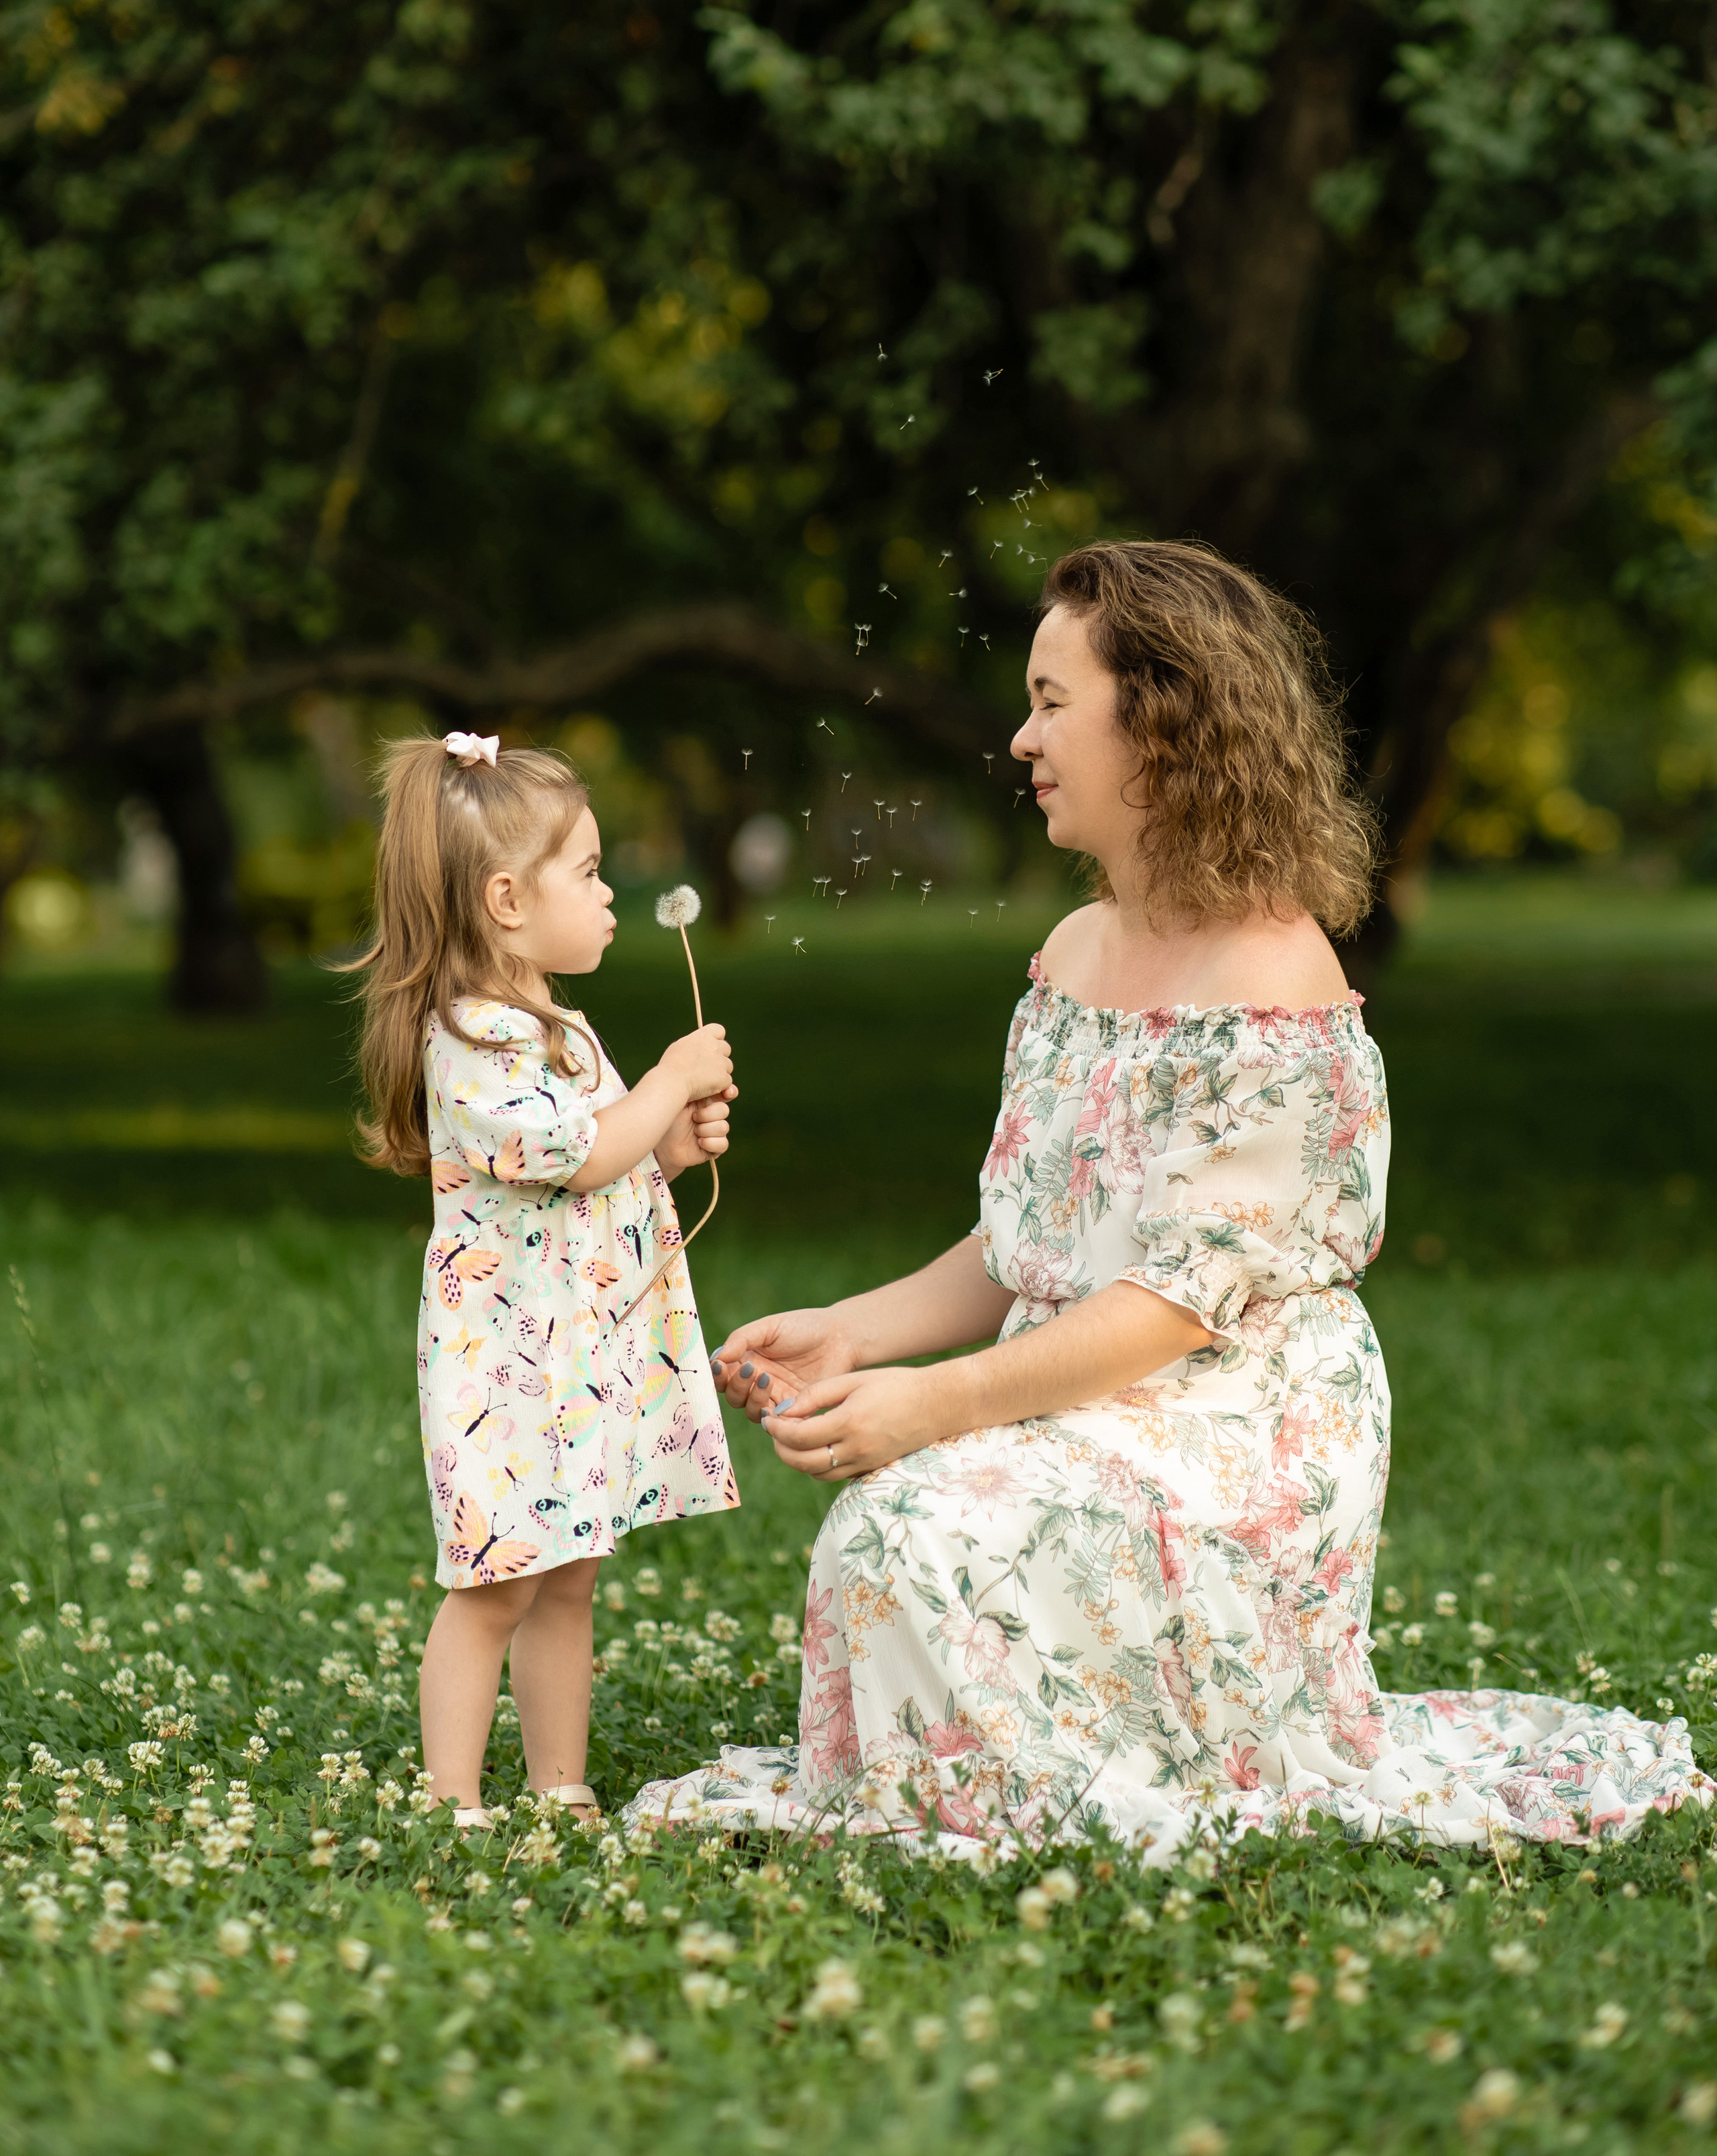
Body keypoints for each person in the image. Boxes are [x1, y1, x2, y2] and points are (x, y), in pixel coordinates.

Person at [631, 542, 1712, 1858]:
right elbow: (1020, 1237)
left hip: (1236, 1410)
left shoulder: (1270, 976)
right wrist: (858, 1333)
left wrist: (940, 1404)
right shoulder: (1076, 949)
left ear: (1160, 716)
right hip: (1082, 1371)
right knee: (894, 1521)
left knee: (919, 1514)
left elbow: (1173, 1304)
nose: (1020, 738)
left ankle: (1063, 1796)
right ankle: (977, 1797)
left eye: (1049, 700)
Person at [354, 732, 738, 1830]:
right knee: (496, 1582)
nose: (612, 892)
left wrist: (670, 1147)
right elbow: (578, 1154)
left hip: (575, 1353)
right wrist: (667, 1086)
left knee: (568, 1573)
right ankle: (451, 1799)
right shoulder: (474, 1038)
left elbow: (591, 1173)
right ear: (509, 900)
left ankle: (559, 1782)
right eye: (590, 871)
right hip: (510, 1366)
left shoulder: (550, 1026)